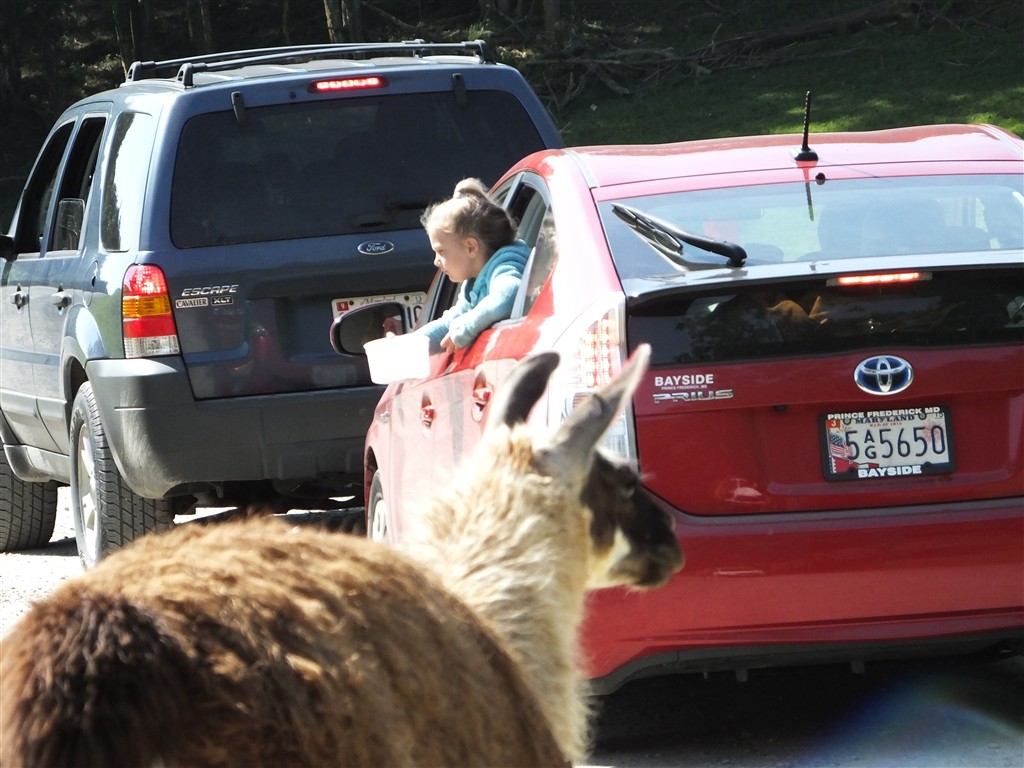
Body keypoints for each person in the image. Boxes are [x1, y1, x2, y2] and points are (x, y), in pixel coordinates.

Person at [417, 178, 530, 353]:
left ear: (471, 247)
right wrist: (409, 344)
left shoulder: (505, 265)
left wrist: (466, 328)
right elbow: (450, 322)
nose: (436, 261)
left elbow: (509, 293)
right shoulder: (473, 282)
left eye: (441, 251)